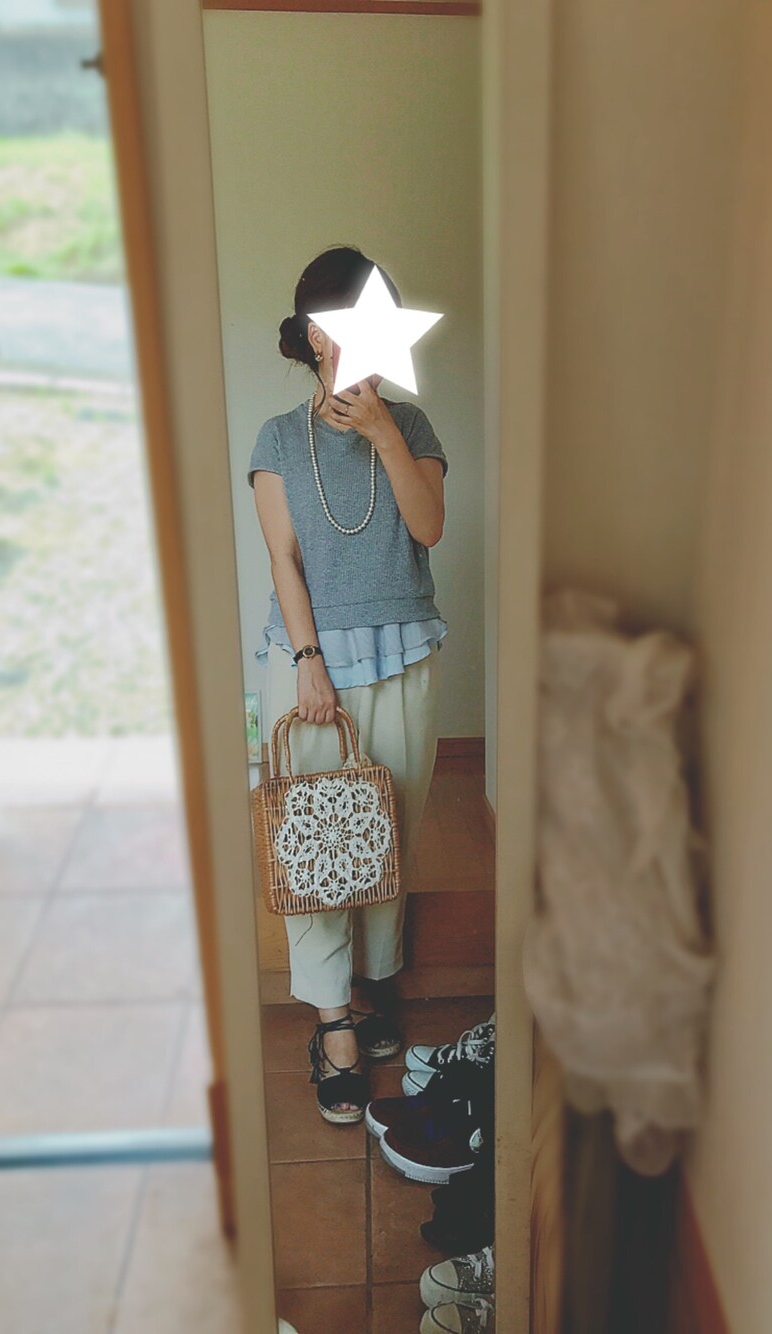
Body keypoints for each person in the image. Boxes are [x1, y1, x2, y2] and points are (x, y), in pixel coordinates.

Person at [247, 245, 449, 1124]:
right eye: (341, 323)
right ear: (313, 335)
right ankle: (333, 1022)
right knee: (314, 842)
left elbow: (429, 528)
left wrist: (383, 433)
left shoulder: (414, 427)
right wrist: (308, 662)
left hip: (404, 653)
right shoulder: (277, 439)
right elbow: (283, 561)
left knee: (387, 830)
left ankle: (375, 985)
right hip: (310, 663)